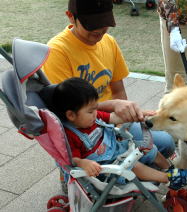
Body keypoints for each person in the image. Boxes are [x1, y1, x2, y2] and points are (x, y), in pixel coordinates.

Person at [42, 0, 175, 158]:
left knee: (167, 143)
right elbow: (65, 112)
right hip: (83, 129)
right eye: (91, 24)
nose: (99, 30)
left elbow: (118, 90)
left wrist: (122, 124)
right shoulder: (57, 51)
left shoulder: (108, 42)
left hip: (110, 120)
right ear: (71, 17)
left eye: (104, 23)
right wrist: (113, 106)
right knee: (147, 154)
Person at [51, 77, 187, 189]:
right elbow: (70, 160)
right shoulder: (69, 135)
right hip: (104, 166)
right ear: (71, 115)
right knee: (134, 166)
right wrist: (83, 162)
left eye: (95, 108)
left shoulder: (92, 117)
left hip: (116, 149)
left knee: (149, 149)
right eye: (90, 111)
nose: (95, 113)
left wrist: (141, 114)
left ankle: (170, 169)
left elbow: (114, 117)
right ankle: (169, 179)